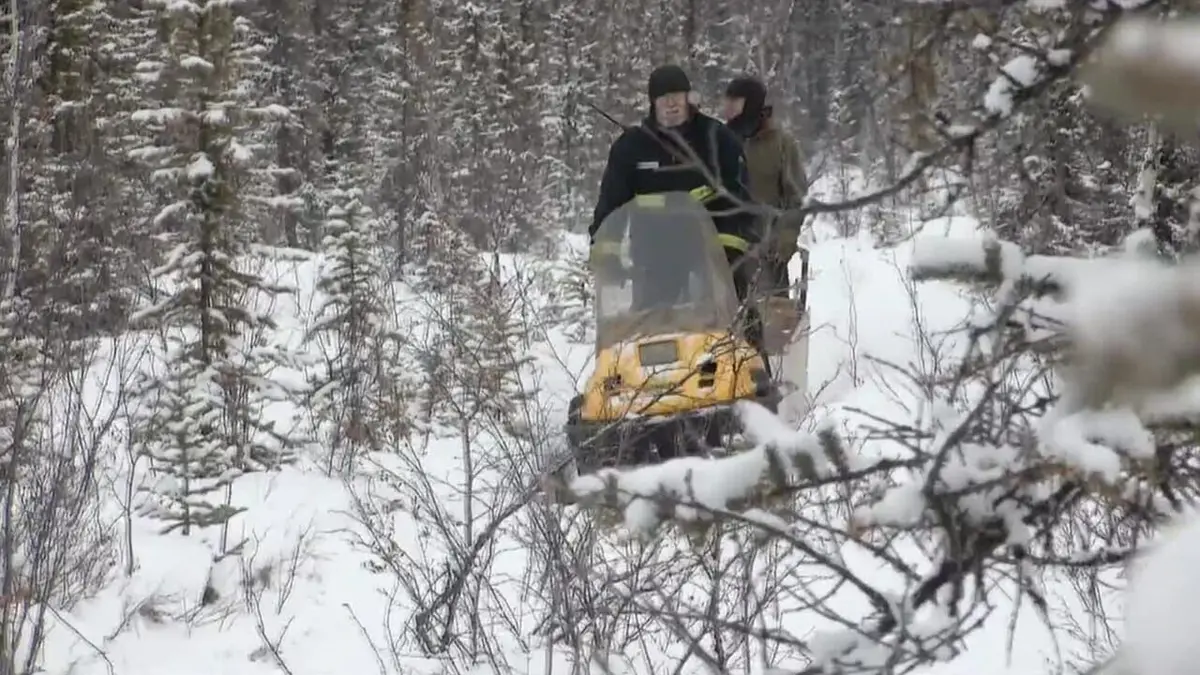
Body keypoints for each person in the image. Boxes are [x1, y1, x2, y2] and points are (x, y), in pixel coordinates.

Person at [590, 64, 768, 359]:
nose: (671, 104)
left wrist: (732, 247)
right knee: (652, 329)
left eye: (677, 96)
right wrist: (605, 251)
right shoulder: (632, 147)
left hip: (712, 247)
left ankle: (756, 370)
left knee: (735, 310)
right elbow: (611, 202)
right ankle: (656, 391)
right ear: (653, 103)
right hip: (653, 253)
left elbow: (740, 195)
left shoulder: (717, 138)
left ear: (689, 99)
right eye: (663, 98)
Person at [722, 75, 808, 299]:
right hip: (724, 253)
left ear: (750, 105)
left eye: (735, 104)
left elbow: (796, 198)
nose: (728, 110)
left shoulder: (781, 144)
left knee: (771, 323)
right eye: (727, 104)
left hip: (767, 255)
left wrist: (786, 237)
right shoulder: (721, 141)